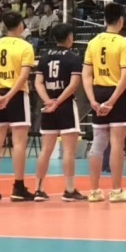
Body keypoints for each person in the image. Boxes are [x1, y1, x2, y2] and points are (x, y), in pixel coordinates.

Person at [83, 2, 126, 203]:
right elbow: (125, 77)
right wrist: (112, 101)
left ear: (105, 20)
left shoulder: (93, 42)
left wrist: (92, 100)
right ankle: (116, 190)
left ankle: (94, 190)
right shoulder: (124, 43)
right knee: (117, 144)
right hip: (117, 94)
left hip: (98, 91)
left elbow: (86, 74)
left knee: (98, 143)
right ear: (121, 20)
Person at [0, 11, 36, 202]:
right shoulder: (25, 46)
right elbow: (23, 76)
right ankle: (18, 187)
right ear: (21, 25)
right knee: (19, 142)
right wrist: (9, 96)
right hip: (17, 95)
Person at [31, 23, 86, 202]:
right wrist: (58, 102)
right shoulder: (73, 57)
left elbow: (38, 83)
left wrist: (48, 101)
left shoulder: (45, 57)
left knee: (46, 150)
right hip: (66, 106)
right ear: (70, 37)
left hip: (48, 107)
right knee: (69, 151)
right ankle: (69, 190)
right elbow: (73, 84)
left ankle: (38, 189)